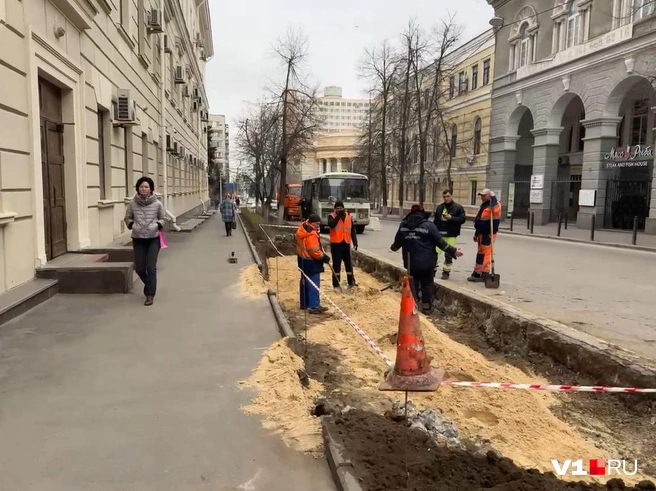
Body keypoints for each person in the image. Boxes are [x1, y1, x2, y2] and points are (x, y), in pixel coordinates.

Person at [390, 204, 463, 313]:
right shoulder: (429, 226)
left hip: (411, 263)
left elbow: (397, 243)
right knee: (427, 284)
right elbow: (441, 243)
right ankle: (427, 307)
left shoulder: (403, 225)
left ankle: (413, 307)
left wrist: (394, 247)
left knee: (413, 284)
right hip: (427, 263)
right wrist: (454, 251)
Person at [124, 176, 166, 306]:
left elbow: (163, 218)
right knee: (140, 268)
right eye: (141, 186)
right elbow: (127, 217)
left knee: (151, 267)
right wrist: (132, 226)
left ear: (151, 189)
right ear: (138, 188)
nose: (144, 188)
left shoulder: (157, 203)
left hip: (153, 238)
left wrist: (157, 225)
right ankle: (149, 284)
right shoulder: (132, 203)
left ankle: (150, 294)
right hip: (138, 239)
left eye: (146, 186)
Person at [296, 214, 331, 314]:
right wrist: (323, 257)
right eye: (317, 224)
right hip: (311, 261)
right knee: (313, 283)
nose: (318, 226)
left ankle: (304, 303)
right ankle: (314, 306)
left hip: (302, 259)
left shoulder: (302, 229)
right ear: (311, 223)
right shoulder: (311, 234)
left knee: (304, 281)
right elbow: (314, 251)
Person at [468, 189, 502, 283]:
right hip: (481, 233)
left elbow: (496, 210)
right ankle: (481, 272)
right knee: (481, 252)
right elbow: (479, 220)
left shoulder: (495, 205)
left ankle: (481, 273)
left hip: (488, 233)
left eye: (484, 195)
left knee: (485, 253)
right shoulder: (483, 205)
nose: (482, 197)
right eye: (481, 195)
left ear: (489, 196)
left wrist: (493, 197)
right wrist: (476, 233)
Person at [433, 190, 466, 280]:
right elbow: (436, 221)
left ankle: (446, 272)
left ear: (451, 196)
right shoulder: (440, 207)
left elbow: (462, 219)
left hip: (451, 234)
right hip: (439, 234)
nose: (446, 198)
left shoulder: (458, 207)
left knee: (449, 254)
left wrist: (452, 218)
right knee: (435, 253)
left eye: (448, 196)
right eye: (444, 197)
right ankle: (433, 271)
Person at [327, 201, 358, 289]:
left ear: (343, 208)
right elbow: (332, 225)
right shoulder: (332, 216)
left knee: (348, 264)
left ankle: (351, 282)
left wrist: (355, 241)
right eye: (337, 208)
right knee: (336, 265)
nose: (339, 210)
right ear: (335, 209)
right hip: (336, 244)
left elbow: (352, 230)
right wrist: (338, 216)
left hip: (346, 244)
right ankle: (336, 284)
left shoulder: (348, 217)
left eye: (341, 208)